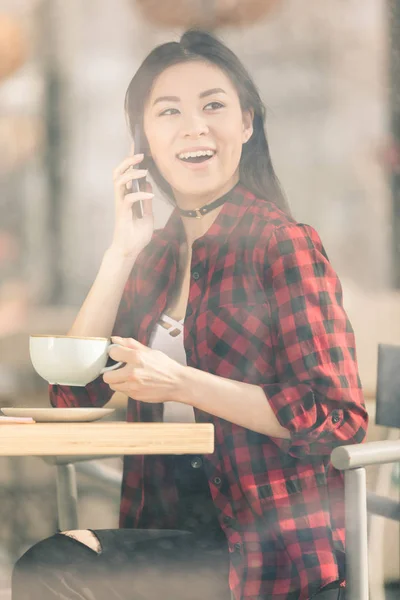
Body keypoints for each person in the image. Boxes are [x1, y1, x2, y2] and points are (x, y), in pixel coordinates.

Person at [12, 29, 368, 600]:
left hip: (268, 549)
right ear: (145, 139)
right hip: (170, 536)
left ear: (247, 124)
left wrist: (183, 383)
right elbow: (72, 396)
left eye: (213, 106)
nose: (194, 126)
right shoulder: (152, 258)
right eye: (168, 111)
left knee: (52, 569)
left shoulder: (284, 244)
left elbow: (336, 418)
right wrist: (119, 253)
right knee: (49, 563)